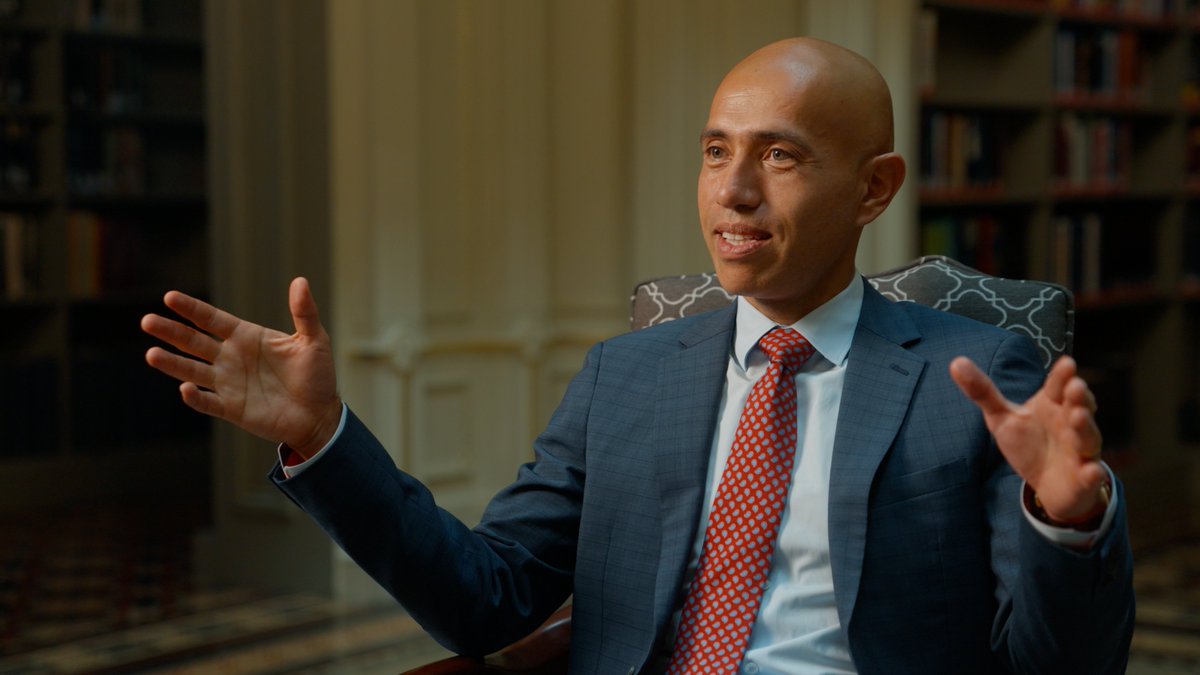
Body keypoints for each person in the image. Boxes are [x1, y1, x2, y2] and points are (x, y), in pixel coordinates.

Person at [142, 37, 1134, 674]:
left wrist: (1070, 520)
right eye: (715, 151)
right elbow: (485, 601)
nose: (733, 191)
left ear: (875, 190)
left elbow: (1060, 669)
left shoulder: (980, 377)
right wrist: (322, 434)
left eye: (780, 157)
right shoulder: (629, 375)